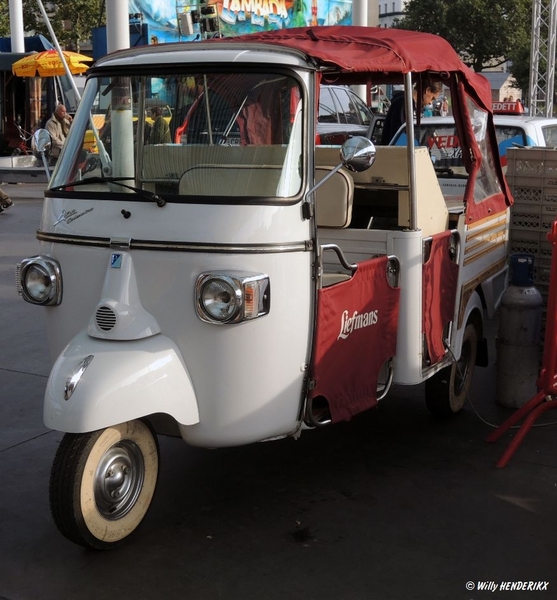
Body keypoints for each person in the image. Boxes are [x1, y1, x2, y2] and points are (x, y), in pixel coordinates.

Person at [381, 79, 443, 144]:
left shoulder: (414, 106)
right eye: (432, 98)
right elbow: (400, 135)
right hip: (399, 151)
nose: (431, 102)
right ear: (427, 90)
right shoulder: (404, 104)